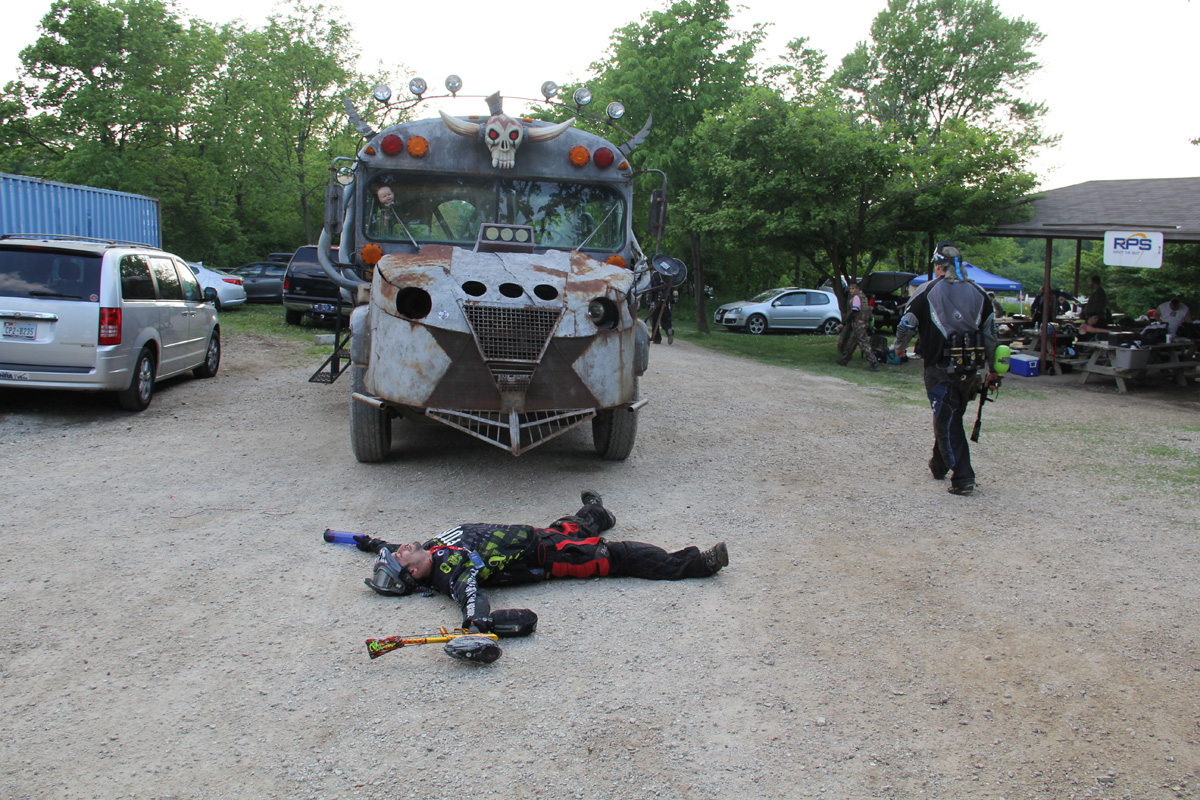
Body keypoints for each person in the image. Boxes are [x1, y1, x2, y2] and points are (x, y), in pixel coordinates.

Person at [355, 491, 728, 631]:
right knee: (618, 556)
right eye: (399, 556)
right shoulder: (449, 572)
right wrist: (474, 622)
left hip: (536, 536)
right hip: (549, 557)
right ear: (414, 570)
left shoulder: (432, 549)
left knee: (574, 526)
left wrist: (374, 544)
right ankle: (696, 564)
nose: (401, 548)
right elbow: (470, 595)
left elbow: (394, 549)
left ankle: (598, 511)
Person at [893, 241, 999, 496]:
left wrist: (899, 347)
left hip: (939, 368)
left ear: (939, 266)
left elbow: (907, 323)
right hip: (970, 371)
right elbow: (991, 335)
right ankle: (938, 466)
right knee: (949, 416)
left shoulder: (927, 290)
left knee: (947, 420)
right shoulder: (980, 293)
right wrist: (993, 368)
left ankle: (963, 476)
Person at [836, 282, 880, 371]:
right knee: (851, 343)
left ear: (857, 289)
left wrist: (844, 323)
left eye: (853, 288)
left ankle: (874, 363)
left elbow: (854, 312)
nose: (851, 291)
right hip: (863, 323)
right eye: (850, 289)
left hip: (859, 324)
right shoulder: (863, 297)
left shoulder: (856, 298)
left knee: (864, 344)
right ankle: (844, 360)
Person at [648, 271, 677, 344]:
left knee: (654, 320)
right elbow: (674, 291)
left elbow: (650, 290)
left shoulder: (654, 275)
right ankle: (668, 329)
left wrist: (649, 302)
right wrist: (673, 301)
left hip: (656, 301)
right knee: (666, 319)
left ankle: (657, 338)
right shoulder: (669, 275)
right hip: (666, 301)